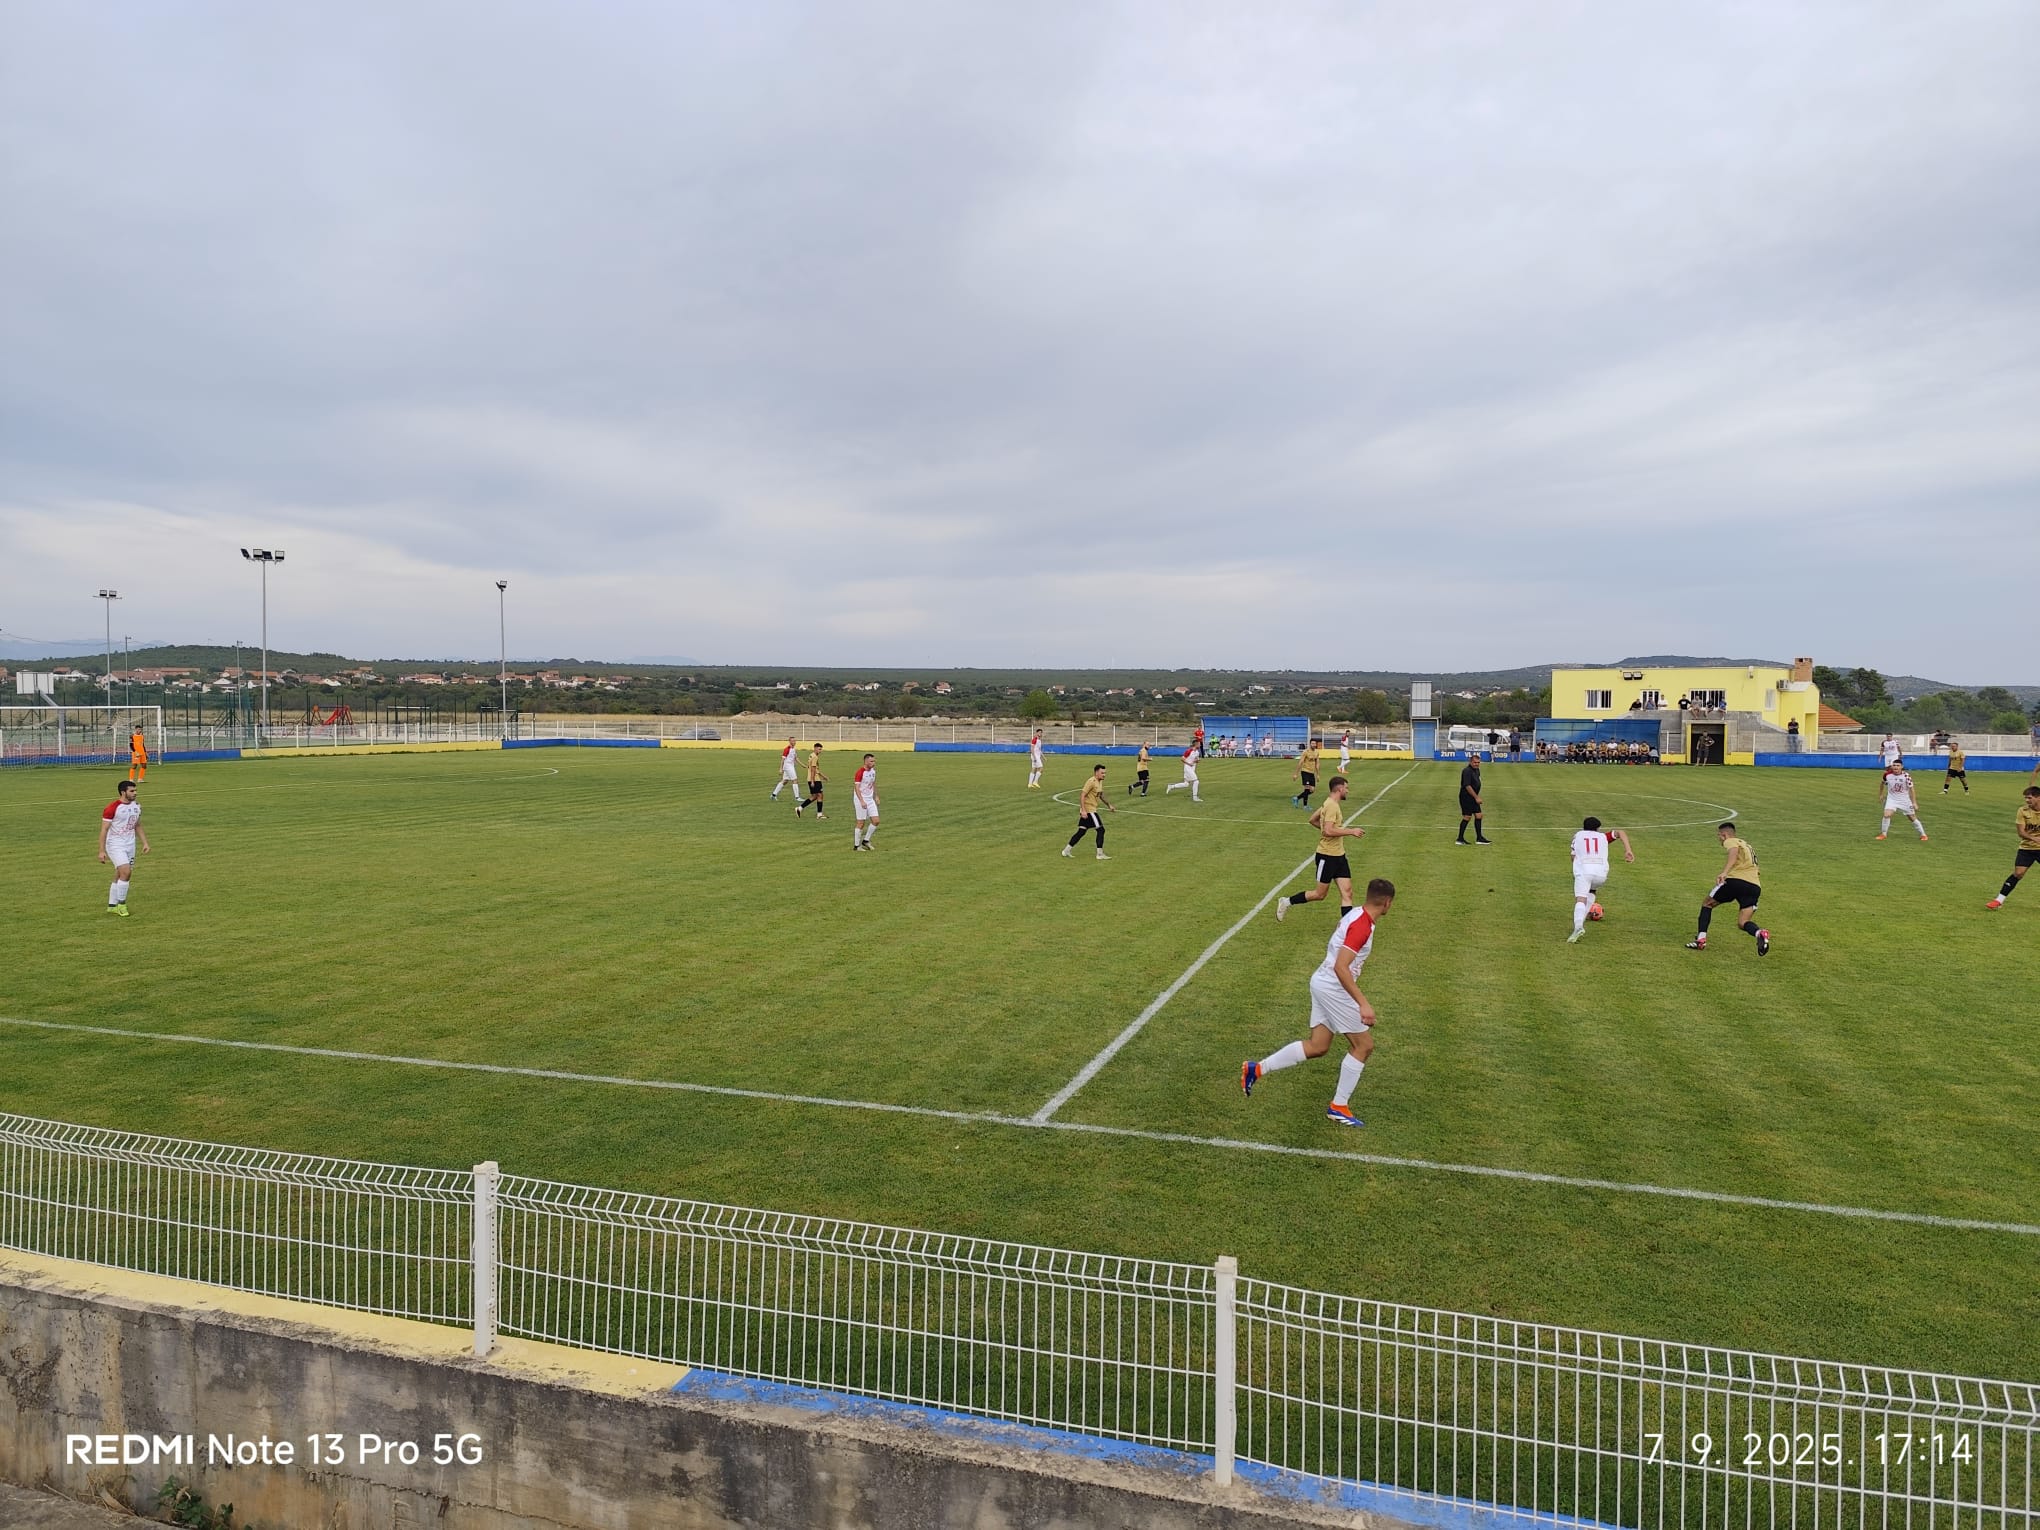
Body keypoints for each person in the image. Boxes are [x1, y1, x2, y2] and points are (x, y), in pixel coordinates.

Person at [1240, 878, 1396, 1128]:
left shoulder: (1355, 913)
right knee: (1363, 1045)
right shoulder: (1362, 926)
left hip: (1321, 982)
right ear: (1387, 903)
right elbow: (1341, 967)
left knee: (1318, 1046)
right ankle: (1339, 1106)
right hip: (1333, 987)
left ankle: (1256, 1069)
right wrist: (1363, 1003)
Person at [1275, 776, 1364, 921]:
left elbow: (1312, 820)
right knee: (1320, 894)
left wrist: (1326, 829)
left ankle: (1347, 928)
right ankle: (1286, 902)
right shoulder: (1331, 806)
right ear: (1340, 788)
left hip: (1339, 855)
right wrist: (1351, 831)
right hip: (1327, 856)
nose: (1348, 791)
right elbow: (1328, 830)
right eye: (1346, 788)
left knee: (1347, 893)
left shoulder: (1328, 803)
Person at [1686, 823, 1769, 954]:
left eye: (1719, 836)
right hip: (1754, 886)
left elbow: (1733, 852)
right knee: (1743, 922)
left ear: (1724, 835)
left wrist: (1725, 872)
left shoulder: (1731, 841)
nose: (1719, 839)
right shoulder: (1747, 846)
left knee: (1707, 903)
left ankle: (1701, 940)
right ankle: (1760, 933)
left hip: (1736, 881)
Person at [1565, 816, 1634, 943]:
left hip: (1585, 871)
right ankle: (1582, 920)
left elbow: (1573, 856)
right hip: (1601, 874)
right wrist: (1628, 850)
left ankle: (1578, 927)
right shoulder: (1603, 837)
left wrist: (1577, 870)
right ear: (1598, 828)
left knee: (1580, 898)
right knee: (1592, 891)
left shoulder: (1578, 836)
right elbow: (1620, 832)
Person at [97, 778, 150, 916]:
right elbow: (104, 830)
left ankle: (112, 905)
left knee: (120, 874)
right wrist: (101, 851)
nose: (135, 793)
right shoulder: (112, 808)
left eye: (135, 790)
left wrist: (145, 842)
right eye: (132, 791)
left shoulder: (136, 806)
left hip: (130, 844)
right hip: (115, 845)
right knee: (126, 872)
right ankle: (122, 904)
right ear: (123, 792)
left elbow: (137, 825)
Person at [1985, 786, 2040, 910]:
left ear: (2038, 797)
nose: (2027, 800)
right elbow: (2021, 833)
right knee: (2018, 873)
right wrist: (2034, 838)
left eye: (2029, 798)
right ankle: (1998, 900)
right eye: (2025, 798)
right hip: (2027, 848)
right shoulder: (2023, 811)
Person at [1062, 764, 1116, 860]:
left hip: (1090, 810)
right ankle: (1099, 854)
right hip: (1089, 811)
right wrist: (1083, 810)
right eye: (1102, 773)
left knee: (1081, 832)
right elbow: (1082, 795)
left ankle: (1066, 851)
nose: (1104, 775)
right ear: (1096, 773)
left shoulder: (1099, 782)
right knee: (1101, 830)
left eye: (1105, 773)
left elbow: (1101, 795)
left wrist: (1109, 805)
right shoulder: (1091, 781)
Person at [1877, 762, 1928, 841]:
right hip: (1892, 799)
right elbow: (1882, 783)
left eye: (1898, 765)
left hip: (1904, 800)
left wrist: (1914, 802)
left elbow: (1912, 789)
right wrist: (1880, 794)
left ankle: (1923, 835)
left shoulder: (1906, 776)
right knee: (1887, 815)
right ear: (1891, 766)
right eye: (1894, 765)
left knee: (1912, 818)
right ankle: (1883, 834)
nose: (1895, 767)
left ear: (1901, 767)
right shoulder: (1887, 775)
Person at [1455, 754, 1489, 845]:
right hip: (1466, 797)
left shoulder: (1477, 770)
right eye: (1475, 762)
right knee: (1467, 816)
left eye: (1478, 762)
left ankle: (1479, 838)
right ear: (1470, 762)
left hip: (1473, 797)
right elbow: (1467, 786)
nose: (1476, 764)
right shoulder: (1467, 771)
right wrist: (1476, 797)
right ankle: (1460, 839)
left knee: (1479, 815)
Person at [851, 754, 880, 850]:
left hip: (870, 799)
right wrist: (862, 801)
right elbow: (857, 788)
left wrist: (876, 796)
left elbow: (873, 783)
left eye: (874, 761)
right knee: (861, 823)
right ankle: (856, 846)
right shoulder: (860, 772)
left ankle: (866, 841)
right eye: (871, 761)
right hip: (860, 799)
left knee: (876, 821)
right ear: (866, 761)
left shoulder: (873, 771)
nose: (873, 763)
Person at [796, 743, 826, 818]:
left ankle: (799, 808)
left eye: (821, 749)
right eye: (819, 749)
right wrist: (813, 780)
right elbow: (813, 769)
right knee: (820, 795)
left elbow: (815, 769)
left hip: (811, 778)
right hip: (815, 779)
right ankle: (819, 814)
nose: (820, 751)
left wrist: (822, 776)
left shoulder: (811, 755)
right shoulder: (815, 757)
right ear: (815, 748)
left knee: (815, 796)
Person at [1291, 737, 1322, 809]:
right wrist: (1296, 774)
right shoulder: (1306, 752)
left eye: (1315, 743)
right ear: (1310, 744)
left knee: (1312, 790)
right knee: (1307, 788)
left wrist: (1318, 775)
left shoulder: (1317, 753)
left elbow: (1317, 764)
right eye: (1312, 743)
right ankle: (1305, 806)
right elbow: (1300, 762)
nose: (1314, 744)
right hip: (1305, 772)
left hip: (1312, 773)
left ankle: (1297, 798)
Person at [771, 736, 799, 803]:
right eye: (793, 741)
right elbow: (782, 759)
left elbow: (796, 758)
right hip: (788, 767)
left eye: (795, 741)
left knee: (785, 781)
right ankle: (797, 797)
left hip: (790, 766)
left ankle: (773, 795)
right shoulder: (787, 749)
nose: (794, 742)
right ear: (789, 741)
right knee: (795, 780)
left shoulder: (794, 749)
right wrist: (781, 768)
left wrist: (803, 765)